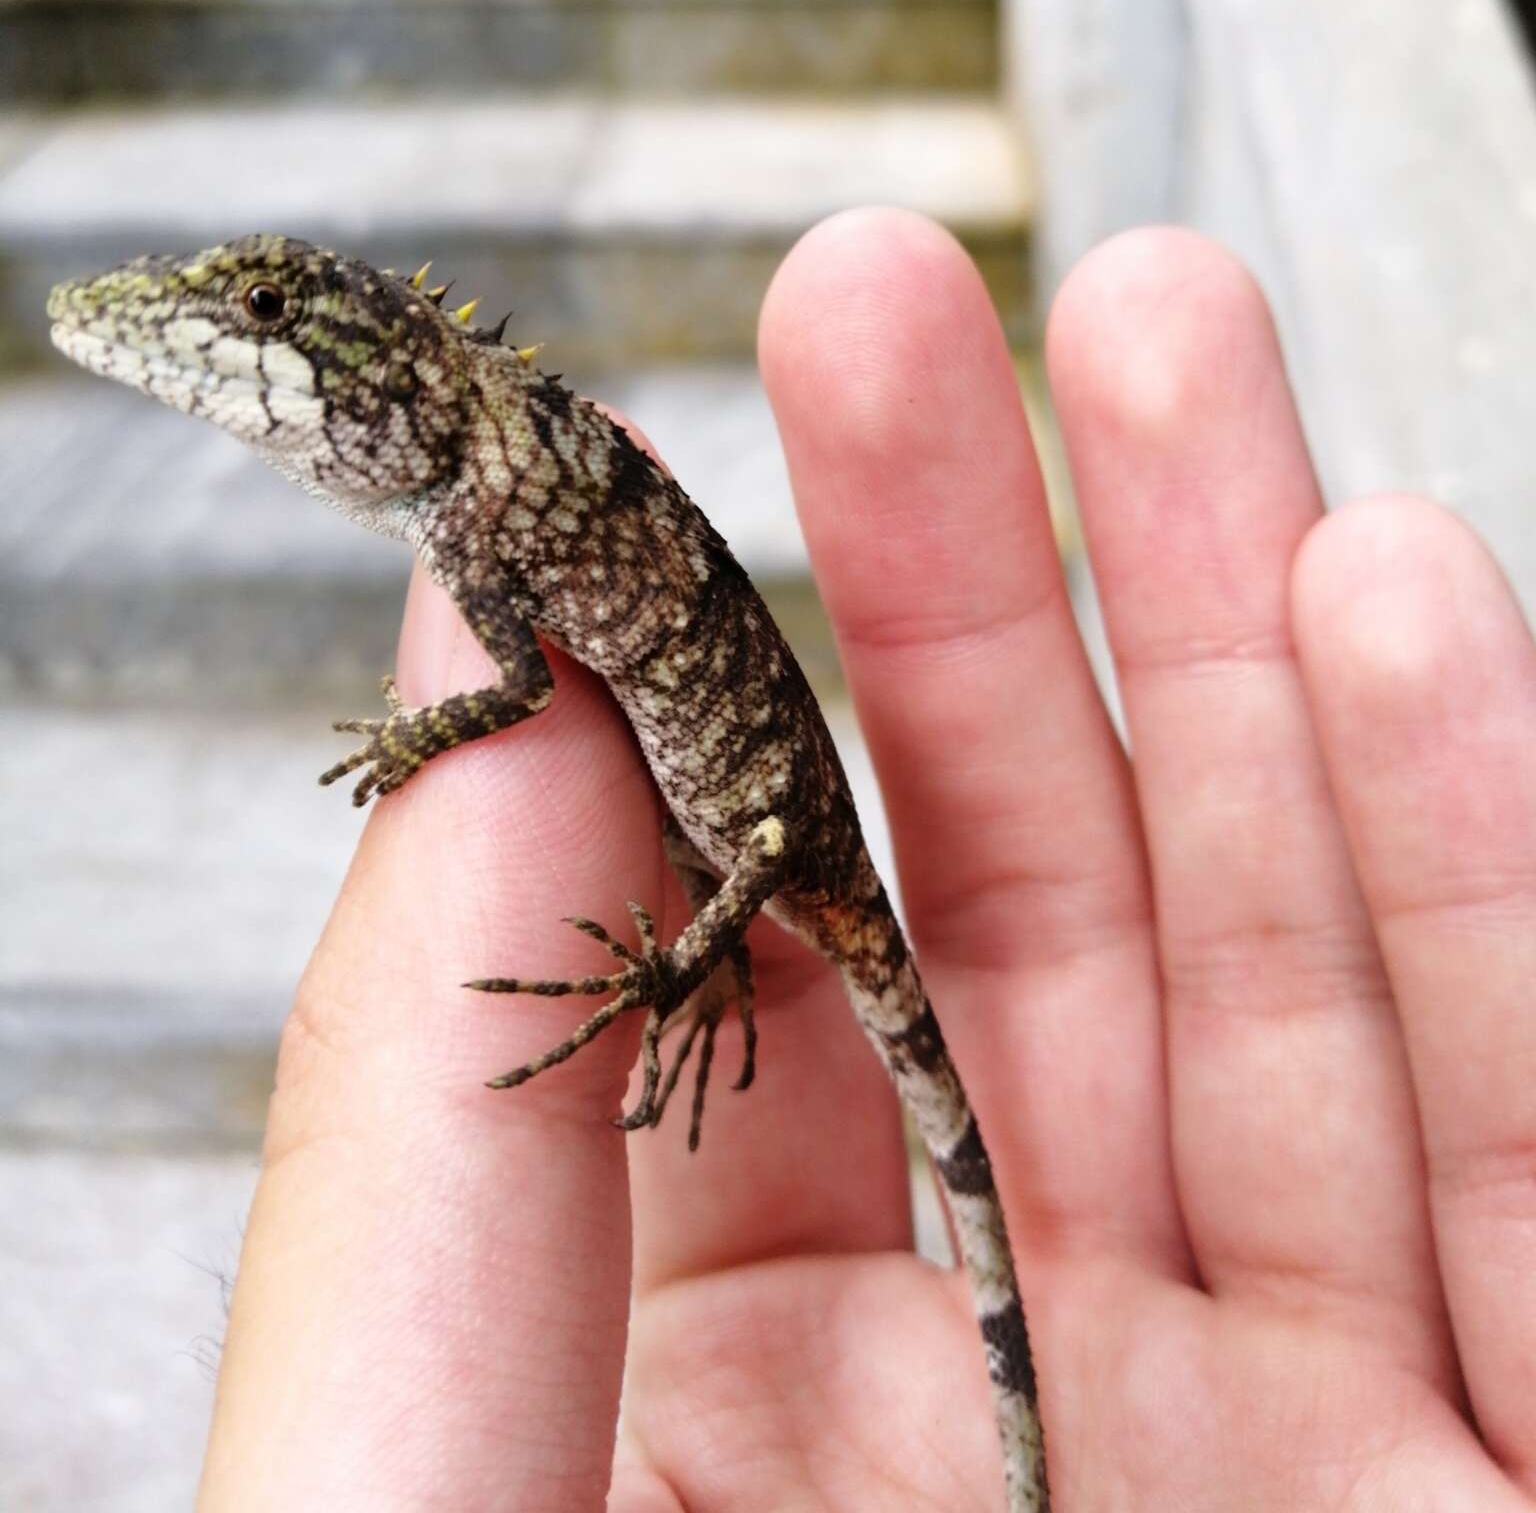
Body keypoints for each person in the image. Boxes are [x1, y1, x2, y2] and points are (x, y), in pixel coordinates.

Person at [195, 212, 1536, 1510]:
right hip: (742, 814)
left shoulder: (490, 490)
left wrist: (431, 750)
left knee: (770, 913)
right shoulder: (487, 482)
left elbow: (517, 698)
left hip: (767, 833)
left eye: (261, 314)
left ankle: (1021, 1453)